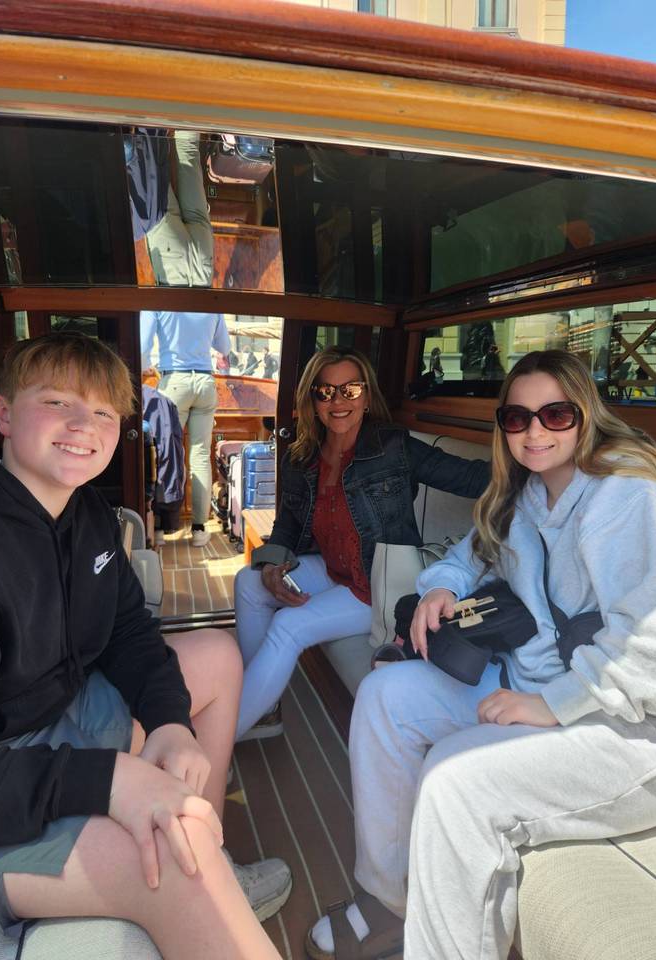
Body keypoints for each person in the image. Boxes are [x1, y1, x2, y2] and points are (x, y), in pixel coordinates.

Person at [306, 349, 656, 960]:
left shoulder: (628, 501)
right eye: (516, 418)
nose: (534, 431)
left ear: (583, 415)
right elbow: (469, 554)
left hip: (630, 731)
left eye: (554, 414)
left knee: (453, 781)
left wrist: (551, 704)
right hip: (529, 684)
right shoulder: (526, 494)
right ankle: (392, 899)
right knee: (384, 699)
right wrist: (441, 586)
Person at [0, 333, 292, 960]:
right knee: (179, 855)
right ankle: (202, 877)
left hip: (58, 717)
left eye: (100, 412)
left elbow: (128, 632)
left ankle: (215, 865)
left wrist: (170, 722)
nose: (81, 425)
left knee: (220, 657)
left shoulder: (87, 512)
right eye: (58, 401)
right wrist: (108, 780)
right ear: (5, 415)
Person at [233, 346, 490, 740]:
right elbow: (286, 524)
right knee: (249, 581)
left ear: (367, 396)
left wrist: (538, 460)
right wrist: (271, 565)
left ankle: (219, 737)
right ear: (312, 400)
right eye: (325, 392)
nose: (338, 401)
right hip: (335, 571)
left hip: (379, 584)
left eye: (350, 390)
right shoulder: (302, 458)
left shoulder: (394, 449)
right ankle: (263, 709)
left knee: (288, 625)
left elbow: (473, 478)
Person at [140, 310, 231, 547]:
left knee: (165, 454)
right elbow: (224, 346)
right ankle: (200, 529)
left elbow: (141, 347)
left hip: (174, 383)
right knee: (200, 455)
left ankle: (160, 527)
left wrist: (147, 366)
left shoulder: (158, 304)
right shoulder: (211, 305)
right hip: (205, 383)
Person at [125, 128, 214, 287]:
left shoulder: (217, 313)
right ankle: (152, 118)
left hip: (203, 270)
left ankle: (186, 106)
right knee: (155, 177)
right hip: (173, 272)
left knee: (189, 153)